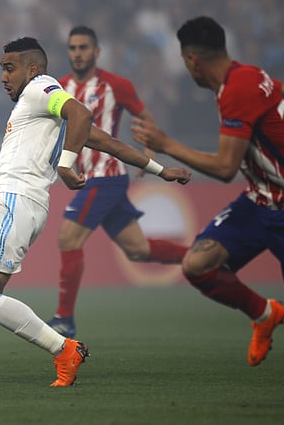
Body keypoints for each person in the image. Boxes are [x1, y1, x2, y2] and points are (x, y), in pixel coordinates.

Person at [0, 37, 190, 386]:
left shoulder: (41, 87)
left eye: (10, 68)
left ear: (32, 69)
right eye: (2, 69)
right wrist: (161, 170)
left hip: (15, 203)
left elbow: (81, 112)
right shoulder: (45, 112)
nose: (3, 77)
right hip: (9, 205)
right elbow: (110, 143)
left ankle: (64, 349)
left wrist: (66, 164)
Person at [131, 16, 284, 411]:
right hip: (261, 200)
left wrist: (166, 144)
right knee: (198, 265)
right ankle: (263, 313)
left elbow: (226, 168)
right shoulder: (248, 75)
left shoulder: (238, 89)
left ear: (192, 60)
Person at [46, 26, 189, 338]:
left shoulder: (116, 85)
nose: (77, 53)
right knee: (138, 249)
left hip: (105, 177)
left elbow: (146, 117)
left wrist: (149, 148)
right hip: (91, 178)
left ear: (97, 52)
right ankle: (202, 257)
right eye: (73, 48)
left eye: (83, 47)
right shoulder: (60, 87)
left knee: (68, 238)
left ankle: (64, 319)